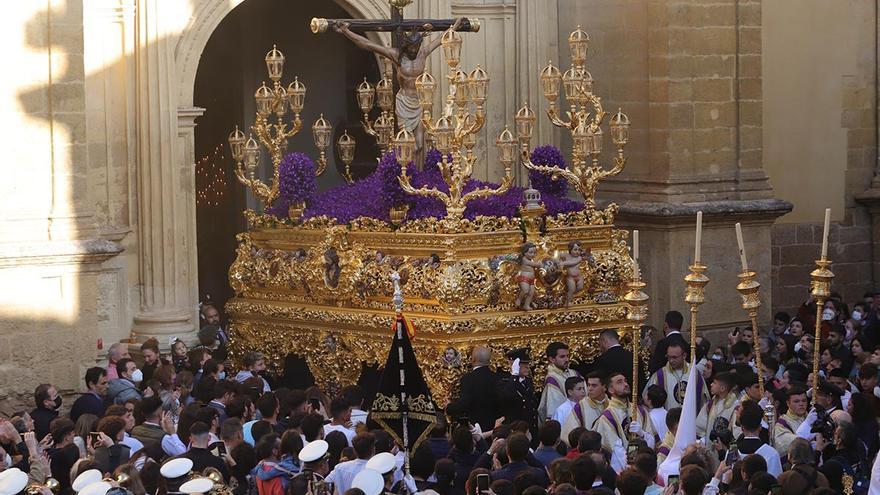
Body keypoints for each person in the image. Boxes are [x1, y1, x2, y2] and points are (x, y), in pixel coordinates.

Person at [332, 18, 464, 163]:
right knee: (407, 145)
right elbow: (368, 44)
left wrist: (455, 26)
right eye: (412, 47)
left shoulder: (423, 53)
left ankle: (415, 179)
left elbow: (441, 39)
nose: (414, 50)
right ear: (406, 45)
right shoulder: (396, 55)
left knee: (419, 145)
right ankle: (405, 175)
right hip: (404, 102)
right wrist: (346, 31)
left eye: (417, 46)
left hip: (420, 103)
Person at [594, 371, 654, 469]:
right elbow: (616, 449)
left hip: (644, 466)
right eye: (619, 382)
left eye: (625, 381)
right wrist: (631, 466)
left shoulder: (640, 410)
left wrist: (642, 433)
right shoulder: (607, 417)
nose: (625, 384)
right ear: (611, 389)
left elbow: (652, 440)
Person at [644, 341, 707, 411]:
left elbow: (704, 401)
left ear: (684, 356)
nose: (671, 360)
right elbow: (648, 399)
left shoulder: (694, 374)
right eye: (668, 357)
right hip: (667, 419)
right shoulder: (660, 376)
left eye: (674, 357)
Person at [456, 346, 500, 431]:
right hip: (494, 427)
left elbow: (464, 403)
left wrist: (449, 407)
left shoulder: (468, 379)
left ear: (473, 359)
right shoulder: (496, 377)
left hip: (475, 428)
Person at [735, 400, 782, 477]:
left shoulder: (732, 452)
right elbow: (775, 483)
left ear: (742, 427)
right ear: (760, 427)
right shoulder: (771, 454)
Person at [538, 343, 582, 422]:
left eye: (567, 356)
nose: (567, 360)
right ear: (552, 359)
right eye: (562, 357)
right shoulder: (552, 380)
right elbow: (555, 409)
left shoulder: (574, 373)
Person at [560, 371, 607, 441]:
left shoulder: (612, 406)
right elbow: (568, 435)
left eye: (594, 385)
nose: (590, 389)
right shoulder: (581, 407)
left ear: (604, 387)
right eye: (588, 385)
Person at [696, 371, 737, 440]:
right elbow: (700, 426)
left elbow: (735, 431)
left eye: (714, 383)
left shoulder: (735, 406)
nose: (711, 385)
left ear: (722, 388)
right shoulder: (711, 404)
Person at [773, 385, 808, 457]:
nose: (801, 404)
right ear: (788, 403)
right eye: (796, 401)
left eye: (804, 401)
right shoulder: (782, 424)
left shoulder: (812, 417)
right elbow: (783, 447)